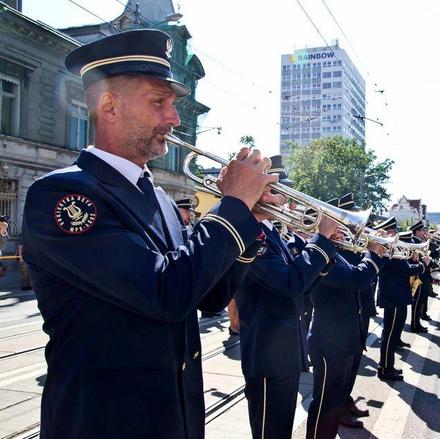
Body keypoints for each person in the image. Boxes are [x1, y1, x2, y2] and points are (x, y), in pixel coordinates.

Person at [21, 30, 278, 439]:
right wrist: (231, 207)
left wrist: (251, 223)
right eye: (159, 102)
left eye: (173, 104)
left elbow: (208, 297)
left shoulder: (157, 196)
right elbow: (166, 292)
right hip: (107, 424)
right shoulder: (63, 195)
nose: (174, 118)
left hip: (175, 417)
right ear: (109, 107)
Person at [234, 178, 337, 437]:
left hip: (285, 350)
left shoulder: (271, 232)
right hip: (267, 355)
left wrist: (326, 255)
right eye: (275, 192)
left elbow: (299, 289)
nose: (284, 200)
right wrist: (321, 240)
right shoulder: (251, 233)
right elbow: (290, 283)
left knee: (281, 429)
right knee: (271, 431)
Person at [306, 221, 384, 438]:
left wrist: (377, 252)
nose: (343, 232)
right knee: (325, 405)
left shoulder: (335, 252)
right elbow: (356, 279)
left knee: (335, 404)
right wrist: (373, 252)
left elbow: (361, 274)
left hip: (343, 338)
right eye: (337, 227)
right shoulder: (321, 255)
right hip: (329, 342)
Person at [377, 225, 425, 380]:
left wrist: (413, 261)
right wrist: (422, 265)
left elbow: (404, 267)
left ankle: (388, 366)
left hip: (397, 297)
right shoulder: (391, 253)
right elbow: (406, 270)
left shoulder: (394, 252)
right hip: (394, 298)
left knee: (392, 334)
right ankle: (385, 368)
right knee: (390, 335)